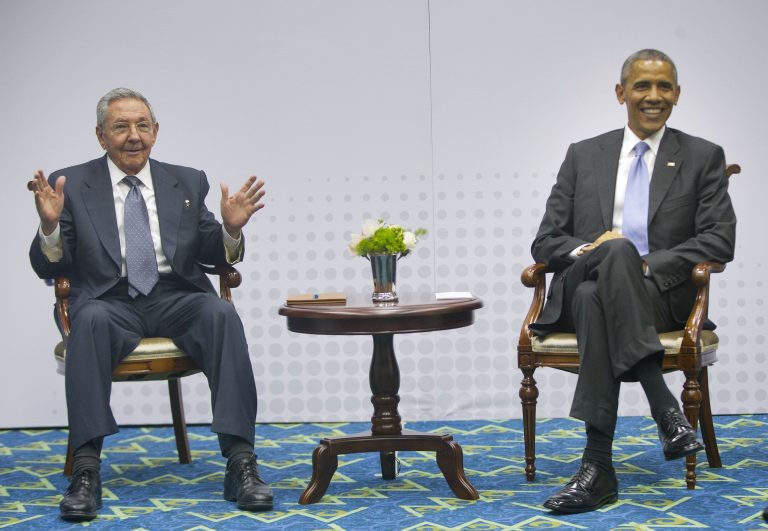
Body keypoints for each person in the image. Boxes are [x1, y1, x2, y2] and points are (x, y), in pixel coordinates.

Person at [29, 88, 273, 521]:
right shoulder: (73, 184)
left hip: (174, 297)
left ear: (156, 131)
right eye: (121, 126)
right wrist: (49, 227)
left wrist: (231, 231)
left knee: (221, 314)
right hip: (108, 300)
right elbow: (51, 266)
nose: (134, 136)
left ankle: (241, 464)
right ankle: (85, 471)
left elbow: (210, 250)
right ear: (101, 135)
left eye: (142, 125)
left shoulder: (186, 181)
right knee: (89, 320)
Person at [530, 50, 736, 514]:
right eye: (642, 85)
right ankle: (665, 410)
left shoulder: (702, 156)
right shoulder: (584, 155)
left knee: (594, 296)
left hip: (659, 296)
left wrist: (643, 265)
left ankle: (597, 467)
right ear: (621, 93)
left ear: (677, 95)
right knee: (611, 257)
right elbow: (546, 241)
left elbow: (719, 240)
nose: (653, 96)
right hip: (586, 279)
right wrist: (596, 249)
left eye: (664, 87)